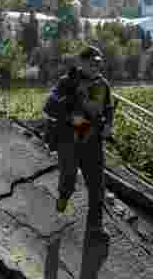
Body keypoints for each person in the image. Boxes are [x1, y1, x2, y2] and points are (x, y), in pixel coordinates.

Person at [43, 45, 114, 237]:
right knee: (69, 178)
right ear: (81, 62)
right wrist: (72, 102)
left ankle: (95, 226)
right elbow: (49, 107)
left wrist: (108, 123)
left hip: (93, 141)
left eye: (98, 63)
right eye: (91, 62)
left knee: (97, 185)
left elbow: (108, 109)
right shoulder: (67, 82)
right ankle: (64, 196)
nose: (96, 67)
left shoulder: (103, 85)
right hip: (69, 140)